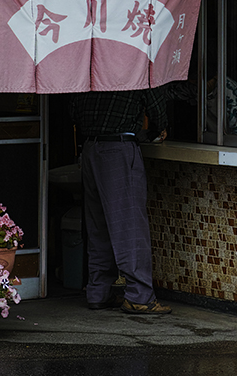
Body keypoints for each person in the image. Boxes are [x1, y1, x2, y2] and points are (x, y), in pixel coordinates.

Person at [70, 88, 172, 314]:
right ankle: (139, 296)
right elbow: (157, 110)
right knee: (129, 225)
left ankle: (98, 291)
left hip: (90, 148)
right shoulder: (135, 70)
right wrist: (153, 131)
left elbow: (73, 112)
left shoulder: (91, 71)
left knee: (98, 226)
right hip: (118, 148)